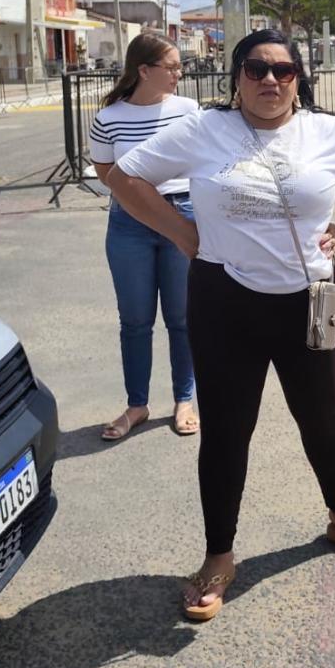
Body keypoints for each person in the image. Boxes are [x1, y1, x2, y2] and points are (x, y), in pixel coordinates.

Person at [107, 29, 335, 623]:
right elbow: (125, 176)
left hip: (309, 298)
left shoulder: (326, 132)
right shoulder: (203, 129)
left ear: (298, 79)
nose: (270, 79)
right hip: (224, 299)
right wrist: (180, 232)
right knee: (225, 429)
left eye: (283, 70)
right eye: (256, 69)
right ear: (236, 77)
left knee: (321, 416)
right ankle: (219, 555)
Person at [89, 34, 202, 441]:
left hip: (182, 213)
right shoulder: (109, 118)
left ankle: (184, 400)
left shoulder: (189, 111)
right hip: (129, 222)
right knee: (135, 320)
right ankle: (137, 405)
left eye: (179, 66)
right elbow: (107, 173)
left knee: (183, 318)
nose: (178, 74)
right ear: (143, 70)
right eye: (171, 67)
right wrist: (141, 200)